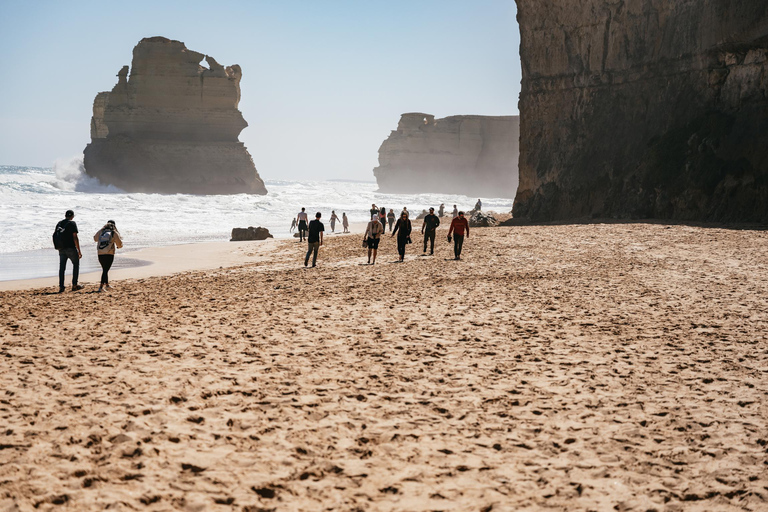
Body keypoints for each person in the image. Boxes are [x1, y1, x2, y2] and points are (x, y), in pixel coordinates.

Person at [53, 209, 83, 292]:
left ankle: (61, 286)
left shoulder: (59, 223)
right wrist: (79, 250)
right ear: (72, 216)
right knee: (76, 265)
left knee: (62, 268)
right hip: (71, 248)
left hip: (61, 248)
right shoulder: (72, 223)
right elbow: (75, 237)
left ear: (65, 215)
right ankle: (74, 285)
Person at [93, 220, 123, 293]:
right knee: (105, 270)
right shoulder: (114, 232)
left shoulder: (101, 231)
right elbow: (119, 244)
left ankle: (107, 284)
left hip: (100, 253)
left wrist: (101, 229)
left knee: (104, 269)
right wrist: (119, 247)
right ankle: (101, 287)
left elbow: (95, 239)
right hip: (109, 253)